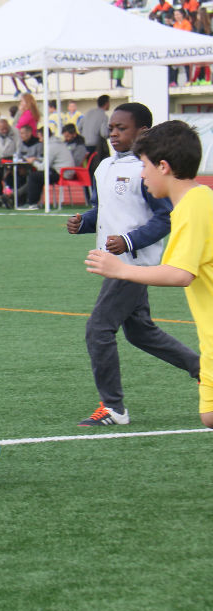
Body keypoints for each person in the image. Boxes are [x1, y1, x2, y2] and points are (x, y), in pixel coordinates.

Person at [67, 105, 200, 424]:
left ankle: (113, 408)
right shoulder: (103, 165)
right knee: (141, 333)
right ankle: (204, 371)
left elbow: (165, 216)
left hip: (132, 265)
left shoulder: (148, 170)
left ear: (142, 132)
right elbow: (105, 210)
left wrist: (128, 241)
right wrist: (83, 222)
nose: (112, 133)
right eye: (110, 128)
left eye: (121, 128)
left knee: (98, 328)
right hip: (115, 263)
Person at [19, 128, 75, 210]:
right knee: (38, 176)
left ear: (44, 136)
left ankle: (32, 203)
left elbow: (43, 167)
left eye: (40, 137)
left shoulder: (51, 146)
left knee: (34, 176)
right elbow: (50, 160)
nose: (39, 140)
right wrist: (37, 159)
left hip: (62, 173)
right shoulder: (56, 143)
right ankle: (27, 200)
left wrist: (33, 162)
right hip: (63, 171)